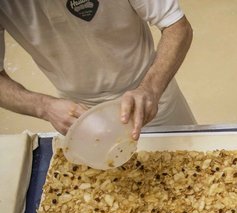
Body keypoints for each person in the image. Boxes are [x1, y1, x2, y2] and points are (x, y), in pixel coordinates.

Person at [0, 0, 196, 139]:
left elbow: (177, 26)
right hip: (80, 111)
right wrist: (44, 106)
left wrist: (150, 89)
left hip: (151, 93)